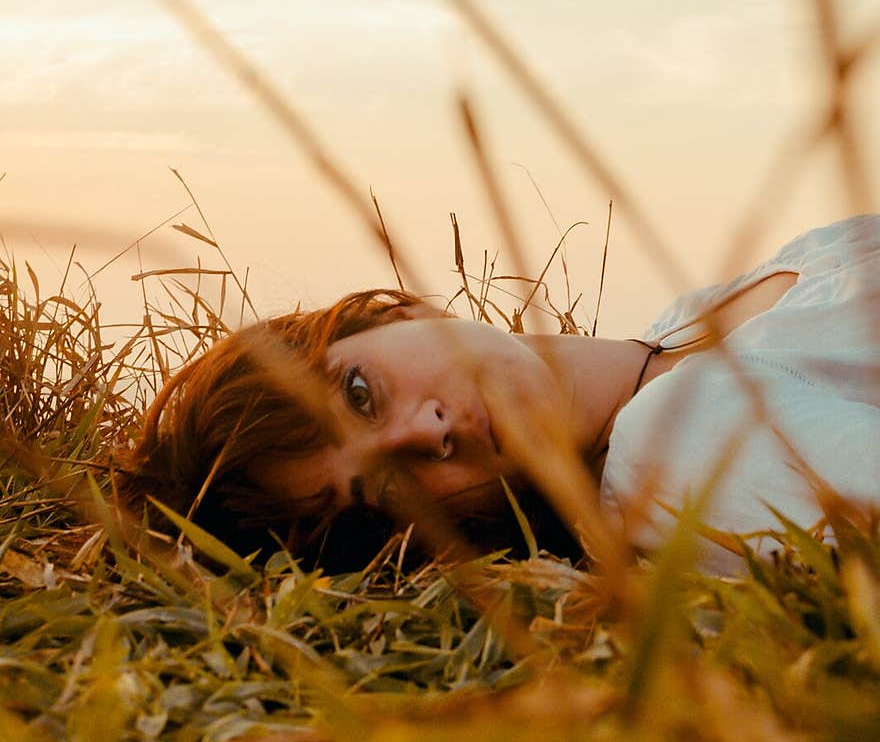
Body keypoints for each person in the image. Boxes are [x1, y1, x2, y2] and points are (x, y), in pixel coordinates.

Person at [114, 214, 880, 577]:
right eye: (387, 493)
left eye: (360, 393)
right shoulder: (669, 453)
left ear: (390, 313)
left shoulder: (681, 327)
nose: (426, 435)